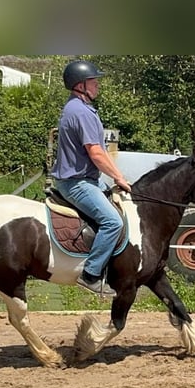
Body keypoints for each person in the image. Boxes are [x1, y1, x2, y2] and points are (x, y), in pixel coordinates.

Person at [50, 60, 132, 296]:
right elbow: (96, 153)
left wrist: (115, 178)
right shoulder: (81, 112)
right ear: (80, 85)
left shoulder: (79, 108)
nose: (97, 86)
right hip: (77, 183)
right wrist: (119, 177)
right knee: (112, 222)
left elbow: (101, 151)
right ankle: (91, 274)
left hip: (89, 179)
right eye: (94, 82)